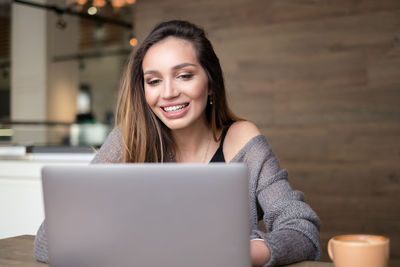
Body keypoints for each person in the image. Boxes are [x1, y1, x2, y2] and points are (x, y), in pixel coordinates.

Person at [34, 20, 321, 267]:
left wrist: (240, 254)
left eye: (184, 75)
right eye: (154, 81)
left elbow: (301, 229)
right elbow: (49, 240)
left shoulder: (243, 141)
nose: (168, 93)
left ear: (210, 83)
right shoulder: (129, 140)